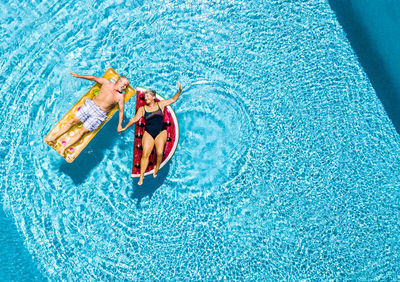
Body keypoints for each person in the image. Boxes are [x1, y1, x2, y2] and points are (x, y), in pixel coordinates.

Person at [44, 72, 129, 156]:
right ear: (119, 81)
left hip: (99, 115)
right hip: (90, 106)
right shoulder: (106, 83)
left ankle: (64, 148)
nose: (125, 88)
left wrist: (119, 125)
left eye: (126, 87)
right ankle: (53, 138)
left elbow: (121, 110)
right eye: (124, 85)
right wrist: (79, 76)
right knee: (73, 121)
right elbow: (93, 78)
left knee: (82, 131)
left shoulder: (120, 97)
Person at [120, 82, 182, 185]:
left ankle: (156, 168)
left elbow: (173, 100)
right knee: (145, 154)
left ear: (153, 97)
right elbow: (134, 119)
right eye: (145, 97)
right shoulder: (143, 109)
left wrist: (179, 90)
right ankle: (141, 177)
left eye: (148, 96)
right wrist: (124, 127)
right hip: (148, 133)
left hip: (161, 131)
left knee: (159, 152)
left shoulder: (160, 105)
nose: (146, 98)